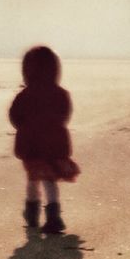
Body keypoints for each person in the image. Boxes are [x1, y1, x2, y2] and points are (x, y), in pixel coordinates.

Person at [9, 46, 80, 234]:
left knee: (33, 178)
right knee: (50, 180)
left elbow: (15, 117)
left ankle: (32, 213)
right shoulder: (61, 94)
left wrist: (25, 128)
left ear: (27, 70)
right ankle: (53, 216)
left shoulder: (24, 95)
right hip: (55, 144)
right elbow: (65, 114)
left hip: (32, 144)